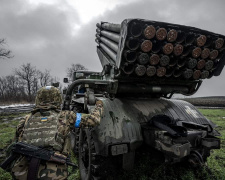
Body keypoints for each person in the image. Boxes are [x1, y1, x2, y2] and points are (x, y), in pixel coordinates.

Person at [10, 86, 102, 180]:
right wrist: (99, 105)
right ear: (58, 99)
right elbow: (94, 120)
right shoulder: (66, 116)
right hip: (54, 174)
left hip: (22, 173)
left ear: (38, 99)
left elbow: (14, 146)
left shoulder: (25, 119)